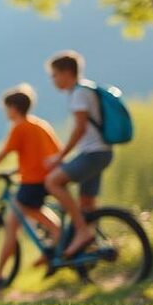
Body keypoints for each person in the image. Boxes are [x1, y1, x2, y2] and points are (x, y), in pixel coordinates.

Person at [0, 83, 63, 292]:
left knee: (22, 218)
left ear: (14, 108)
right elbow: (48, 153)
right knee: (12, 225)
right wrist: (18, 170)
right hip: (44, 178)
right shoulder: (40, 125)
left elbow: (4, 152)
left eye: (6, 108)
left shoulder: (19, 127)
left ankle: (58, 238)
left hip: (32, 182)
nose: (6, 112)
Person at [43, 51, 113, 258]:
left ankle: (82, 231)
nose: (53, 80)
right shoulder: (85, 90)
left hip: (92, 153)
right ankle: (93, 247)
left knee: (52, 182)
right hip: (101, 152)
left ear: (66, 73)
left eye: (54, 75)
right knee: (86, 205)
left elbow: (80, 128)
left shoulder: (79, 93)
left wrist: (60, 155)